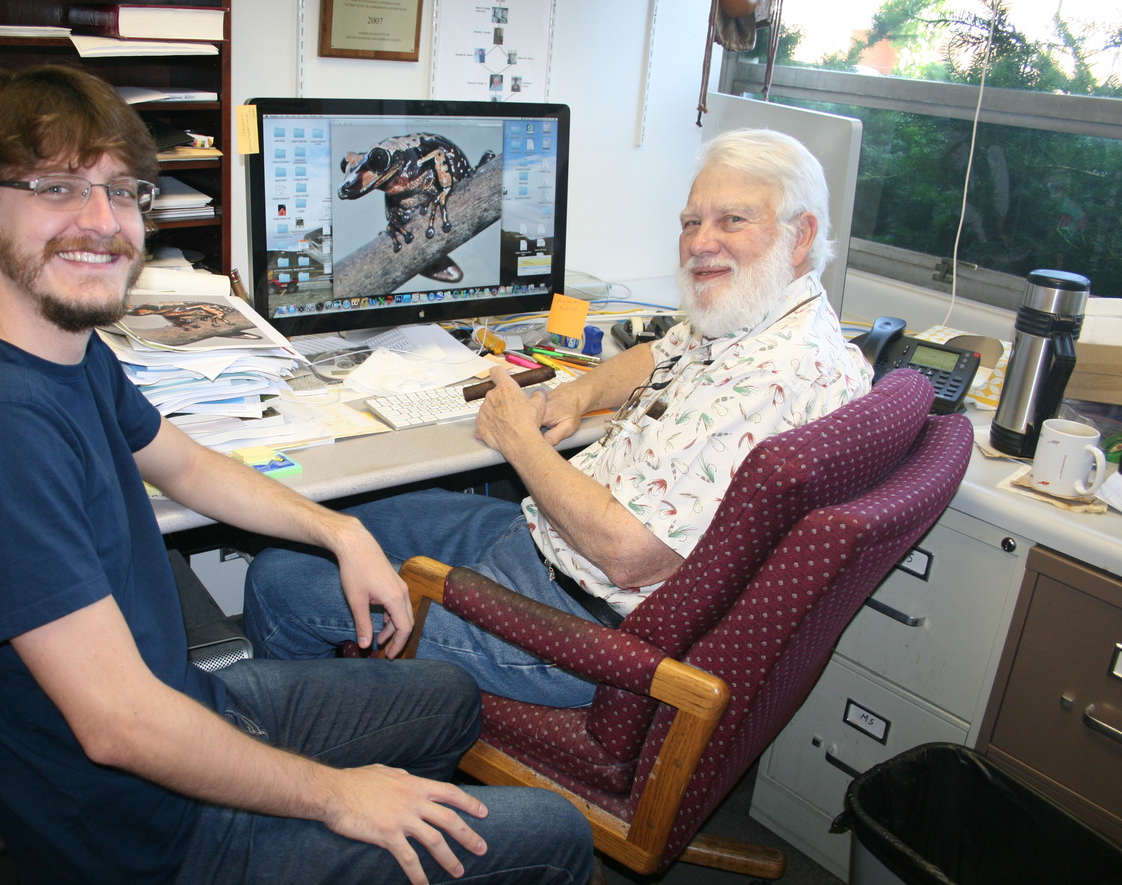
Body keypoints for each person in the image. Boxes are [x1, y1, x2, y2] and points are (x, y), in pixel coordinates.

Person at [0, 65, 595, 885]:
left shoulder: (58, 350)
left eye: (123, 192)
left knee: (445, 697)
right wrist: (335, 797)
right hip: (155, 839)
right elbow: (119, 726)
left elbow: (185, 464)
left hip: (188, 709)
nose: (103, 223)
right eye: (56, 188)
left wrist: (340, 529)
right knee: (552, 833)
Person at [245, 128, 874, 708]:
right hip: (547, 544)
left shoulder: (769, 377)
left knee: (283, 579)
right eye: (691, 222)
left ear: (801, 234)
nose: (701, 242)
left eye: (733, 221)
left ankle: (307, 765)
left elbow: (629, 557)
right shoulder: (774, 324)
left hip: (575, 624)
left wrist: (521, 443)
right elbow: (663, 349)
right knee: (324, 528)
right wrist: (577, 397)